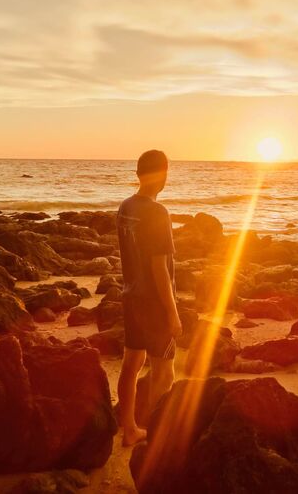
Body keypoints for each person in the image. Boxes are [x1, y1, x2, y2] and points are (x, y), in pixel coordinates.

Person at [116, 149, 182, 446]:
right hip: (155, 303)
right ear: (162, 174)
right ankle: (156, 437)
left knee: (131, 365)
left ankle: (129, 429)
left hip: (131, 297)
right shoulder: (158, 213)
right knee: (164, 371)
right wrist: (172, 311)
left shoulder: (126, 207)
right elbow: (160, 269)